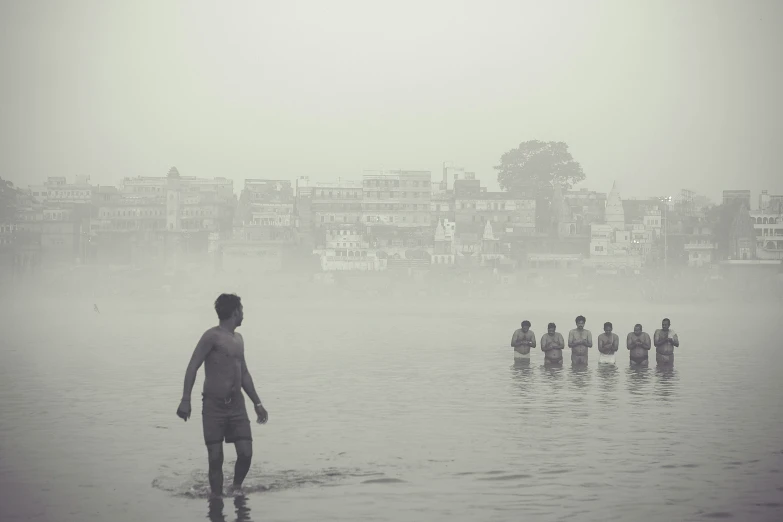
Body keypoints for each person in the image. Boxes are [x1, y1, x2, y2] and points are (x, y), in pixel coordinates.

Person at [176, 294, 269, 499]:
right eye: (242, 310)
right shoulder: (212, 336)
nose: (243, 314)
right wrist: (185, 399)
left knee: (245, 453)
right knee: (215, 457)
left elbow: (243, 373)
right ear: (235, 311)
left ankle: (236, 488)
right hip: (214, 406)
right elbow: (193, 366)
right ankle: (216, 500)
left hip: (237, 406)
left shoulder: (239, 339)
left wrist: (258, 403)